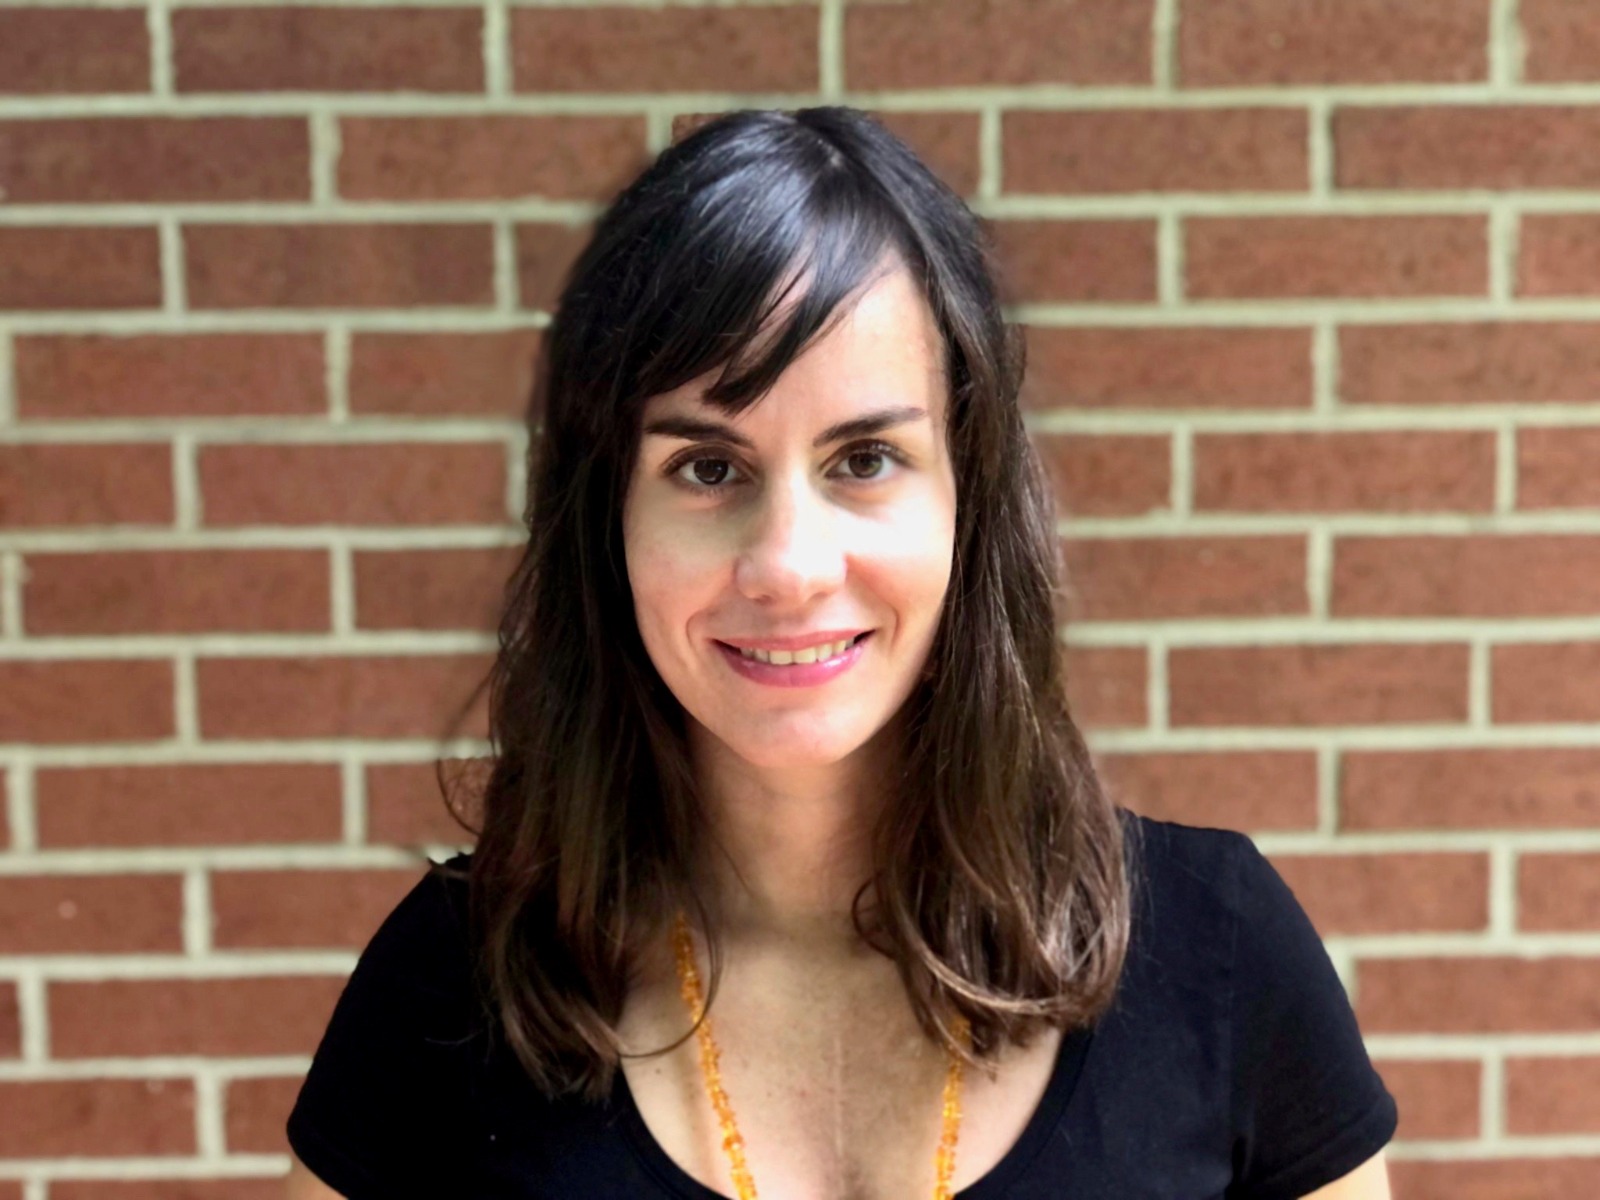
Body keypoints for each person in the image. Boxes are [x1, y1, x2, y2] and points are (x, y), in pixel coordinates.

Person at [283, 106, 1397, 1199]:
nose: (788, 566)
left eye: (864, 459)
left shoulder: (1219, 951)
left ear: (967, 497)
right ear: (608, 522)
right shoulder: (451, 985)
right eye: (707, 468)